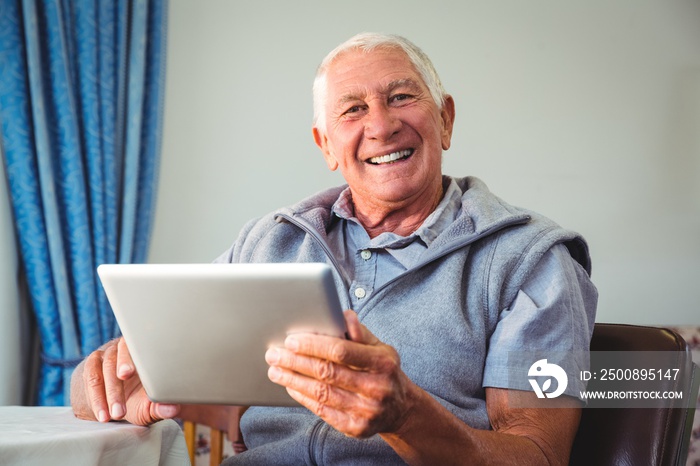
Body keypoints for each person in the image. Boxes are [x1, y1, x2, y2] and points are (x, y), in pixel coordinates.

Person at [71, 33, 597, 465]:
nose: (381, 125)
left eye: (401, 97)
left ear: (446, 120)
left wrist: (407, 416)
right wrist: (107, 382)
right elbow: (212, 407)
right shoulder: (267, 242)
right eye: (352, 109)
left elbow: (538, 456)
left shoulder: (531, 260)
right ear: (325, 145)